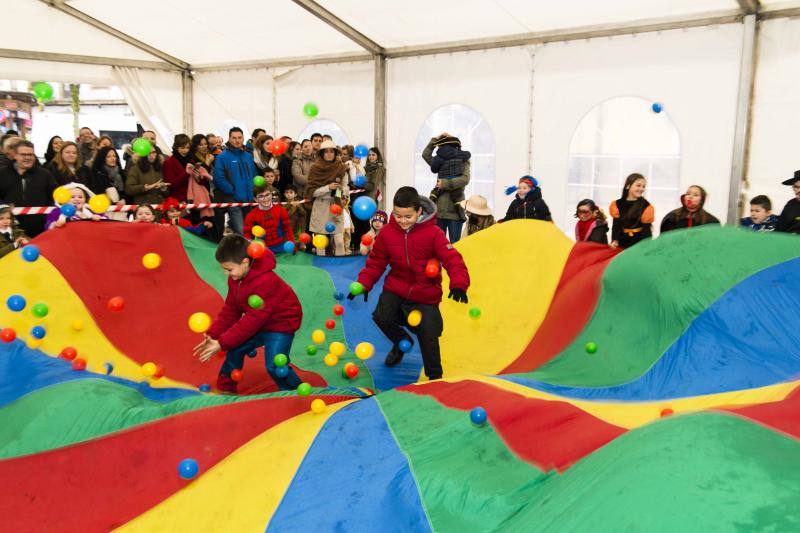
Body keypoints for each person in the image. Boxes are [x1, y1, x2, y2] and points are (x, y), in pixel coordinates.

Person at [350, 187, 470, 380]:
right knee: (381, 316)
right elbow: (376, 262)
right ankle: (401, 341)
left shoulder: (434, 233)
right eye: (398, 216)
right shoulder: (388, 233)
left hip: (425, 292)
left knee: (428, 333)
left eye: (408, 216)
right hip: (396, 287)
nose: (403, 221)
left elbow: (453, 259)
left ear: (419, 211)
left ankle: (434, 376)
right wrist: (364, 283)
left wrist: (459, 283)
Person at [193, 235, 304, 394]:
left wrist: (222, 343)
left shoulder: (265, 281)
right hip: (261, 321)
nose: (226, 273)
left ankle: (294, 393)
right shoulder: (236, 279)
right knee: (235, 349)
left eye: (229, 269)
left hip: (281, 324)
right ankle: (227, 389)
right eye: (224, 269)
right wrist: (213, 334)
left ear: (245, 262)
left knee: (275, 365)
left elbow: (252, 321)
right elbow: (231, 309)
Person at [0, 140, 58, 236]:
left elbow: (54, 197)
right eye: (23, 154)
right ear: (15, 155)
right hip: (9, 229)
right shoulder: (2, 173)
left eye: (31, 155)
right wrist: (4, 206)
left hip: (40, 229)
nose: (27, 157)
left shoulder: (45, 174)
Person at [423, 134, 470, 243]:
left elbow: (465, 179)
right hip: (439, 210)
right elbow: (426, 155)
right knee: (439, 244)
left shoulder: (463, 160)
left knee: (455, 245)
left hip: (455, 210)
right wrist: (435, 139)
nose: (441, 149)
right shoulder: (439, 161)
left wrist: (445, 183)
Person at [305, 139, 349, 256]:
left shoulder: (341, 168)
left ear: (335, 153)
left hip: (336, 205)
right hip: (320, 206)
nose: (329, 154)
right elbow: (311, 192)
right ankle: (321, 269)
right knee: (320, 243)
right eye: (326, 151)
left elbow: (345, 187)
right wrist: (328, 187)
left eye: (331, 151)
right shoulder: (315, 169)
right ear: (322, 153)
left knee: (339, 242)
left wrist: (343, 193)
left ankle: (340, 268)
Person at [213, 127, 258, 235]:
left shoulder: (248, 156)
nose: (237, 140)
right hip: (233, 199)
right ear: (229, 139)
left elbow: (254, 175)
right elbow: (218, 178)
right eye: (234, 138)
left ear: (243, 139)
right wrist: (231, 191)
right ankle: (241, 250)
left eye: (239, 137)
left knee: (248, 229)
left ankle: (242, 250)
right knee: (240, 229)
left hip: (248, 199)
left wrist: (255, 191)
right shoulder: (222, 157)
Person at [243, 184, 295, 254]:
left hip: (282, 248)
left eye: (267, 195)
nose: (265, 199)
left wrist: (292, 245)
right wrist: (250, 249)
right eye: (261, 196)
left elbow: (288, 230)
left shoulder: (281, 211)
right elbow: (247, 235)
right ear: (255, 199)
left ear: (271, 195)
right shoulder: (251, 216)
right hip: (263, 250)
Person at [609, 173, 654, 249]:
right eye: (638, 185)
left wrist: (646, 246)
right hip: (622, 241)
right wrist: (614, 240)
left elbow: (647, 230)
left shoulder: (646, 206)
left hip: (639, 243)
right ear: (628, 186)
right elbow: (616, 225)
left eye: (643, 186)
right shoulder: (617, 204)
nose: (641, 189)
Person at [162, 134, 193, 202]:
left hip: (191, 198)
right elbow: (170, 184)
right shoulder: (169, 162)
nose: (186, 150)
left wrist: (197, 176)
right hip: (177, 200)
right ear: (176, 147)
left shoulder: (191, 160)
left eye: (187, 148)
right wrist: (186, 173)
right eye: (182, 148)